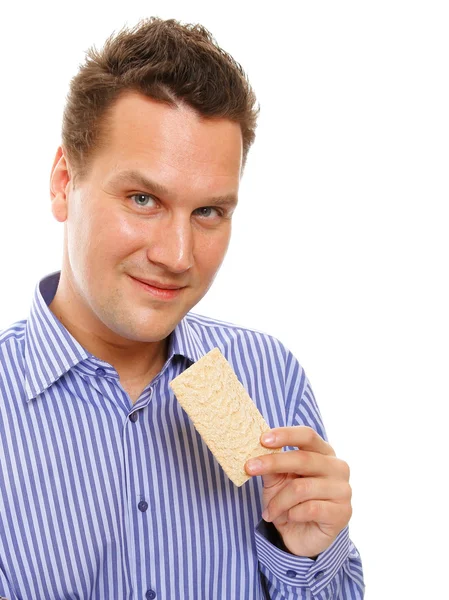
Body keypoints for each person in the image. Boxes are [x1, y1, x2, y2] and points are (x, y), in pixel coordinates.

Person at [0, 17, 364, 599]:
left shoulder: (272, 380)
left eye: (209, 212)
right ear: (64, 181)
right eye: (143, 199)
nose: (177, 256)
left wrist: (311, 554)